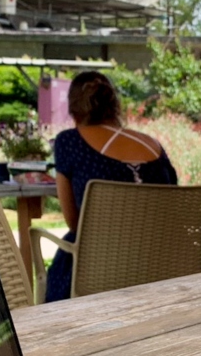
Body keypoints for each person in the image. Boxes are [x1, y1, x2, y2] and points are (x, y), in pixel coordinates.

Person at [43, 71, 178, 303]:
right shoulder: (153, 145)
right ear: (115, 107)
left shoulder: (69, 141)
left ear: (74, 110)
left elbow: (74, 223)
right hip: (160, 268)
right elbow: (171, 210)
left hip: (96, 271)